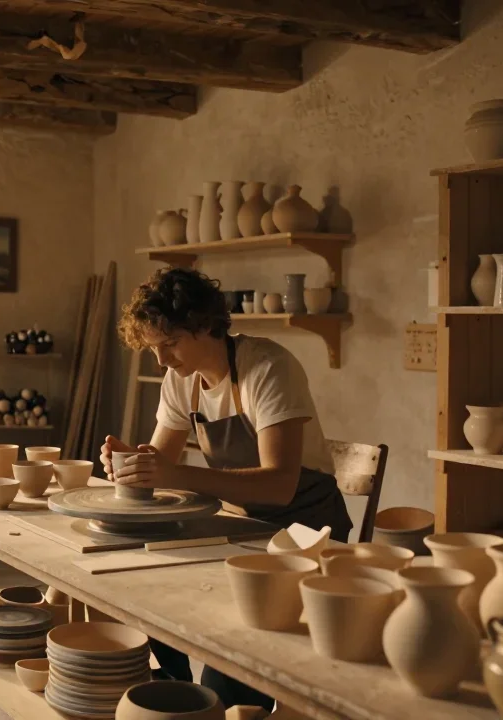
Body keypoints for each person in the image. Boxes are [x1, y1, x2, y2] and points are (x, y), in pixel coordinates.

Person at [102, 267, 352, 710]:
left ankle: (220, 703)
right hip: (241, 525)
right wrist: (131, 466)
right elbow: (162, 465)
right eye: (153, 349)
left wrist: (169, 473)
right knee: (143, 592)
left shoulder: (268, 367)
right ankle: (173, 688)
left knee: (228, 659)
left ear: (204, 324)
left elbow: (278, 484)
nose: (161, 360)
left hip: (305, 534)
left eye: (170, 344)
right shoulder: (181, 382)